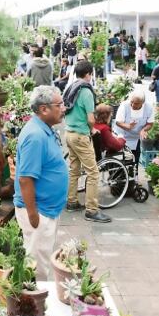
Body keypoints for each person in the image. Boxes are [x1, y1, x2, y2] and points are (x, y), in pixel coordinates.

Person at [14, 85, 69, 279]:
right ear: (44, 109)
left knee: (39, 261)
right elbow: (25, 178)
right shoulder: (35, 136)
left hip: (47, 210)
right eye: (59, 104)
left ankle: (32, 303)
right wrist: (33, 215)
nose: (64, 108)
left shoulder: (45, 129)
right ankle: (33, 305)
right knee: (37, 269)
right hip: (39, 212)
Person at [63, 60, 111, 223]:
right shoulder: (86, 91)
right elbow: (91, 118)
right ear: (89, 74)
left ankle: (72, 202)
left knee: (74, 170)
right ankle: (91, 209)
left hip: (69, 133)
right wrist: (93, 128)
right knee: (93, 172)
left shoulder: (71, 87)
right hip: (81, 135)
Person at [114, 90, 153, 165]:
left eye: (136, 103)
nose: (132, 105)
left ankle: (134, 175)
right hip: (121, 137)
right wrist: (128, 126)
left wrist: (143, 130)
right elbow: (118, 122)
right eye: (131, 102)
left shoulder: (148, 108)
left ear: (142, 103)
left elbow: (150, 123)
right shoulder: (124, 105)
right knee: (120, 161)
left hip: (135, 138)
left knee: (135, 160)